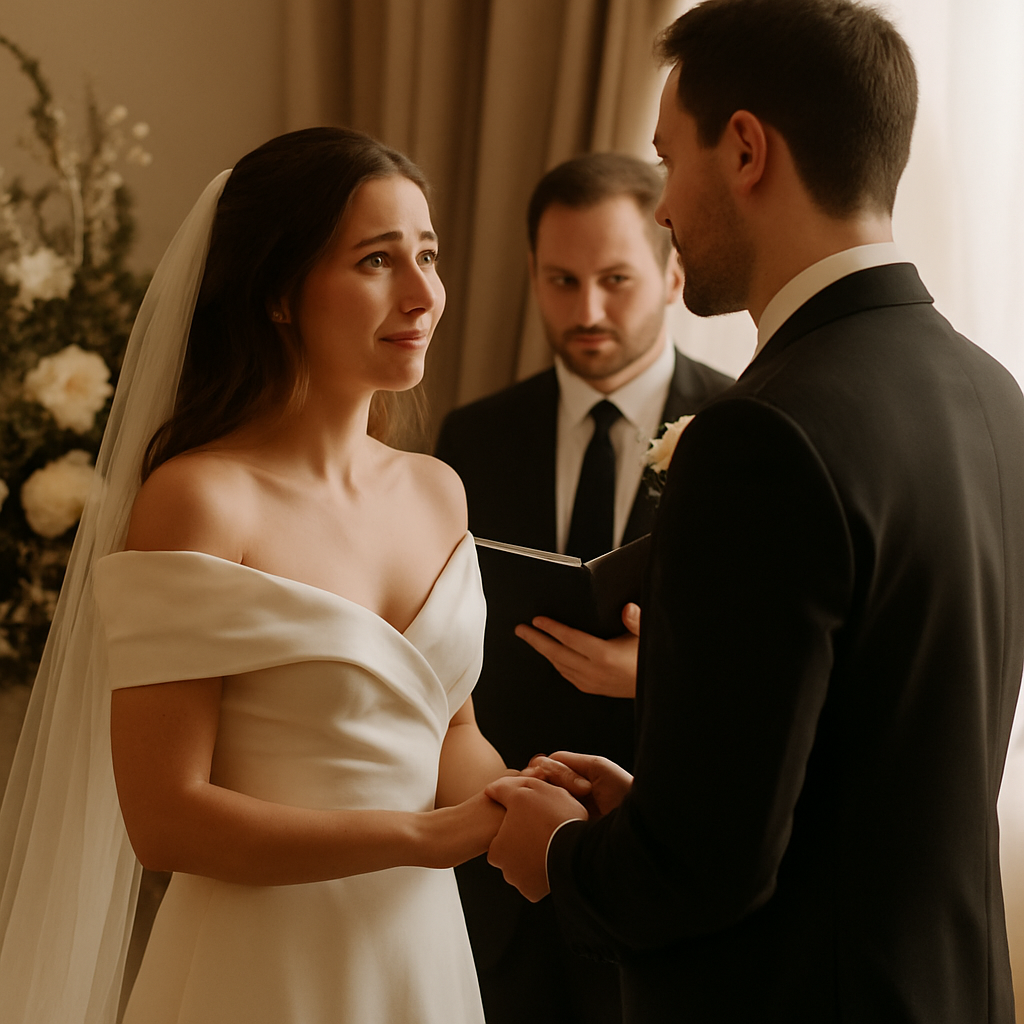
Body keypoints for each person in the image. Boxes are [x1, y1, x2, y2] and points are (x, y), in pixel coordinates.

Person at [485, 2, 1024, 1023]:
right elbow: (865, 765)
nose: (662, 209)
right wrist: (650, 808)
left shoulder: (761, 433)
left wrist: (556, 852)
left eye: (665, 158)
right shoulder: (994, 394)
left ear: (743, 149)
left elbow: (712, 868)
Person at [0, 127, 508, 1024]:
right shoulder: (201, 501)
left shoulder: (440, 493)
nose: (424, 293)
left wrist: (516, 799)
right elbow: (165, 819)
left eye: (427, 255)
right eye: (377, 260)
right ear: (279, 292)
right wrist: (425, 837)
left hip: (417, 956)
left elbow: (450, 731)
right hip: (259, 968)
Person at [435, 153, 732, 1023]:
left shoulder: (744, 428)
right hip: (497, 861)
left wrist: (663, 667)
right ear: (530, 272)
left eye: (615, 279)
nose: (588, 310)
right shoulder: (473, 435)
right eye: (561, 280)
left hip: (664, 858)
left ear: (673, 272)